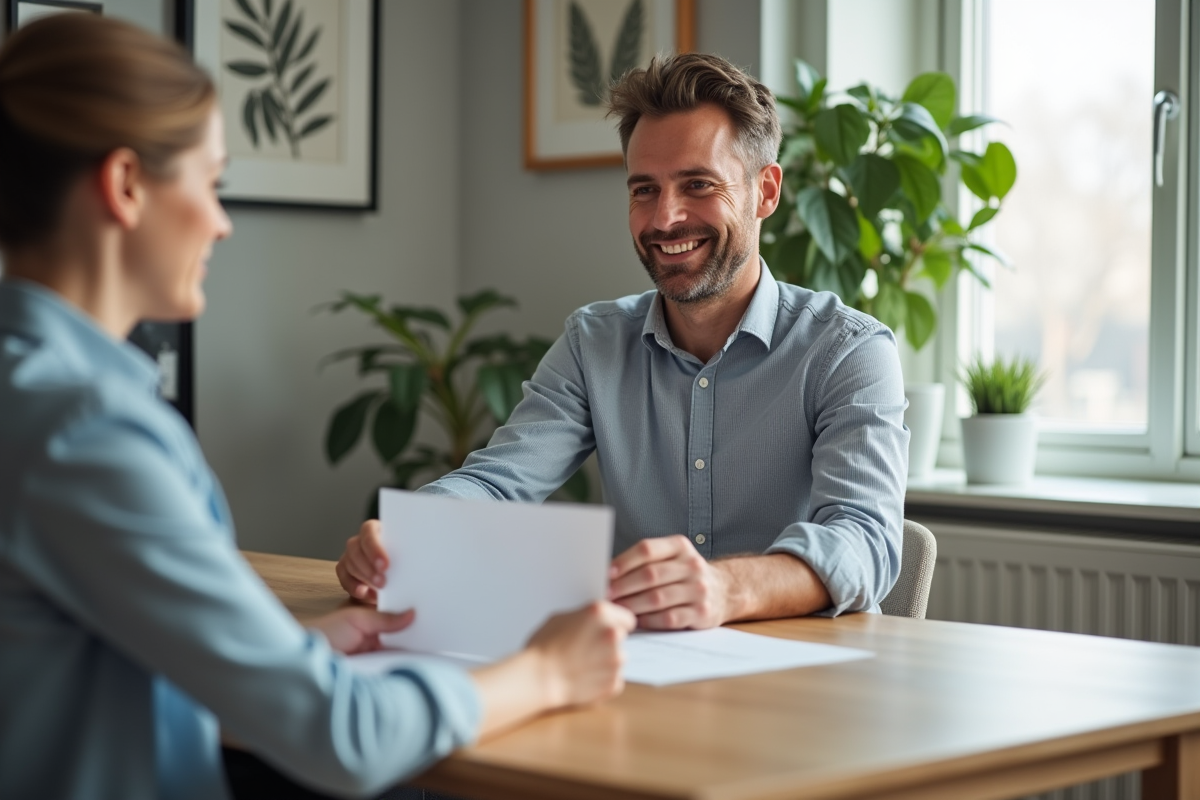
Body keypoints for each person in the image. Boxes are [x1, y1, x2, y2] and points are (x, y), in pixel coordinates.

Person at [0, 14, 634, 800]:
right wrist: (545, 672)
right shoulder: (84, 429)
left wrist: (302, 649)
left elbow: (102, 650)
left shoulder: (34, 391)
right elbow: (346, 738)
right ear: (127, 186)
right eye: (212, 182)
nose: (223, 223)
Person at [337, 54, 909, 629]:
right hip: (644, 673)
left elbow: (864, 540)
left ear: (766, 191)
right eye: (644, 190)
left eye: (698, 184)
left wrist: (724, 588)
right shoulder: (595, 343)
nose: (665, 219)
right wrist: (411, 534)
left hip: (810, 681)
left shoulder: (849, 351)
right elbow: (498, 482)